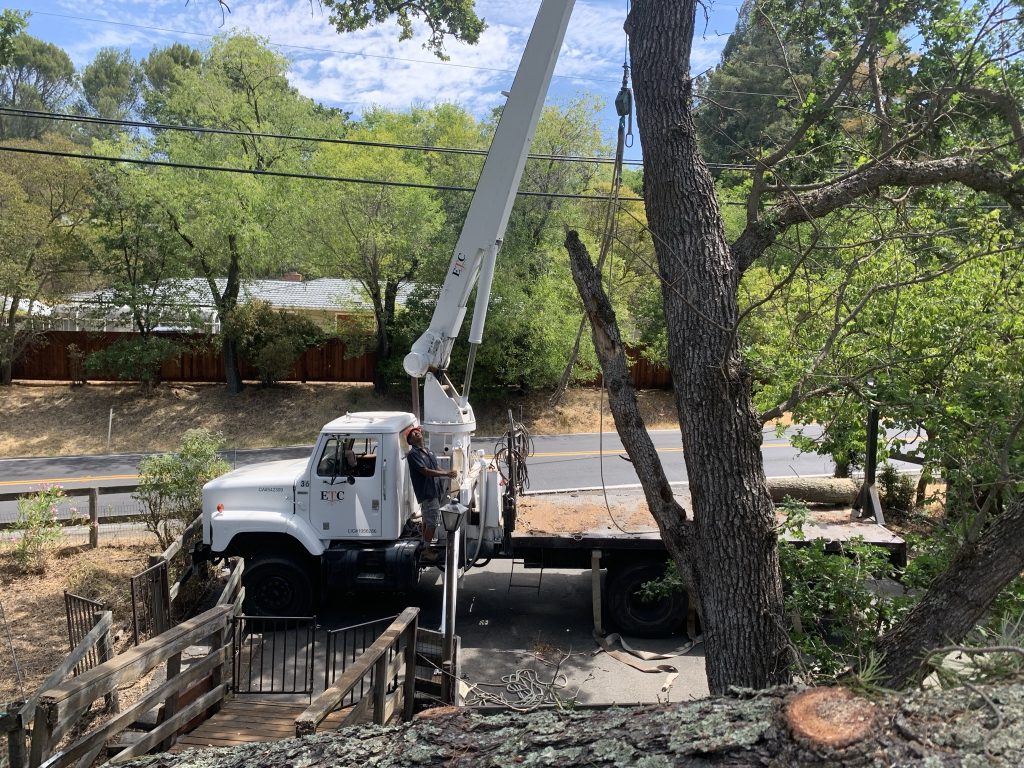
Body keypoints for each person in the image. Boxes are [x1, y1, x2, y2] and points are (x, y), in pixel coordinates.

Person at [405, 427, 457, 549]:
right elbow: (425, 471)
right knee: (433, 523)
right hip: (427, 493)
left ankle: (424, 545)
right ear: (410, 441)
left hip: (435, 491)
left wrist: (448, 472)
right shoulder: (413, 454)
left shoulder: (428, 452)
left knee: (427, 521)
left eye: (417, 431)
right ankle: (426, 550)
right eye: (413, 434)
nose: (417, 433)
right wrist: (446, 474)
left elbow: (435, 467)